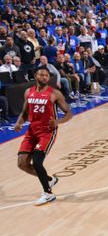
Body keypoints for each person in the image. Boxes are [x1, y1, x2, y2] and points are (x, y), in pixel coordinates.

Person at [13, 67, 73, 205]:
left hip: (47, 132)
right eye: (42, 74)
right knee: (22, 164)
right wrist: (19, 123)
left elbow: (69, 113)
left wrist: (57, 122)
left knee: (37, 161)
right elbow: (24, 112)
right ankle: (50, 180)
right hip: (32, 131)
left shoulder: (54, 93)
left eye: (47, 75)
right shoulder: (29, 92)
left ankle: (48, 193)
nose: (45, 77)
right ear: (36, 75)